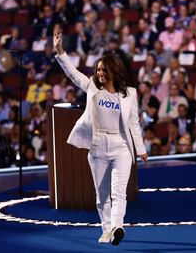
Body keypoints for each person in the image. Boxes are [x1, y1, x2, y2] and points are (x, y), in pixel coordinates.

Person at [53, 30, 148, 245]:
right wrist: (60, 51)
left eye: (103, 70)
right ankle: (107, 230)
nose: (100, 73)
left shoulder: (129, 94)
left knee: (119, 191)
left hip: (121, 145)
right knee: (102, 194)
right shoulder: (92, 87)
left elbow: (133, 123)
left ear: (114, 71)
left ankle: (117, 226)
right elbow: (73, 73)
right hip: (98, 145)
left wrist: (141, 149)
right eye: (98, 70)